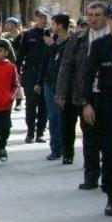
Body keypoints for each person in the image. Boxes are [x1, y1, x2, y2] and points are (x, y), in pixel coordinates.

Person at [57, 2, 108, 182]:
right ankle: (91, 176)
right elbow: (66, 65)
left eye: (98, 15)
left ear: (105, 16)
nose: (93, 19)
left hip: (109, 94)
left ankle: (110, 176)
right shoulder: (78, 38)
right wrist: (61, 92)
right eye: (90, 15)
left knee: (109, 137)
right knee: (89, 136)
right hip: (84, 93)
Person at [80, 1, 112, 216]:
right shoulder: (100, 46)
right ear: (108, 21)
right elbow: (88, 75)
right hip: (108, 104)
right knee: (111, 153)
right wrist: (86, 103)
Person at [16, 9, 50, 144]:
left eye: (45, 17)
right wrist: (17, 72)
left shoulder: (50, 34)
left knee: (44, 105)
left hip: (46, 74)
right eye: (40, 17)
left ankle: (40, 132)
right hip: (31, 74)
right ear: (36, 19)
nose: (43, 20)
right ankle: (30, 132)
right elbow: (20, 55)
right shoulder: (29, 35)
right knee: (31, 105)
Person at [43, 14, 70, 161]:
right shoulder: (52, 40)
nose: (51, 27)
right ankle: (56, 149)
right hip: (49, 82)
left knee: (63, 118)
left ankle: (66, 149)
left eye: (53, 24)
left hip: (63, 84)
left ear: (59, 25)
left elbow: (65, 62)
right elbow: (46, 62)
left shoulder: (70, 42)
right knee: (53, 117)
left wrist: (52, 46)